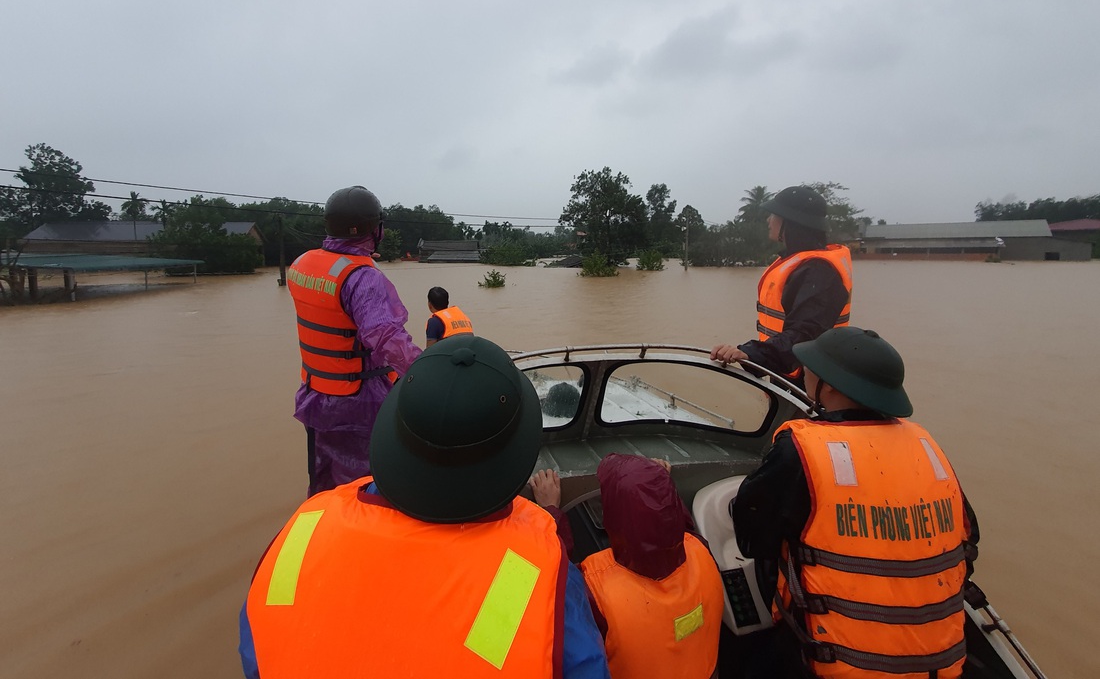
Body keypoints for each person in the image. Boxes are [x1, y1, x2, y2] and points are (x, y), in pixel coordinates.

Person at [239, 335, 610, 679]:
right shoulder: (536, 561)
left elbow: (256, 649)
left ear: (393, 427)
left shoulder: (304, 528)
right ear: (515, 454)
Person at [731, 327, 979, 679]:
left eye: (809, 366)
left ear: (829, 386)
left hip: (839, 663)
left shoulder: (802, 449)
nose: (803, 372)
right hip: (940, 662)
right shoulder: (927, 446)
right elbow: (968, 541)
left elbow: (752, 537)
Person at [530, 454, 724, 679]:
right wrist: (659, 489)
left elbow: (558, 574)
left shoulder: (593, 588)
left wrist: (550, 510)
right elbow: (678, 526)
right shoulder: (700, 548)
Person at [287, 185, 421, 496]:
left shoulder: (303, 263)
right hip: (359, 403)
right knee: (363, 488)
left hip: (316, 395)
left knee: (325, 480)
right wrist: (428, 369)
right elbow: (387, 338)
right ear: (376, 230)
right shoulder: (363, 278)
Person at [711, 185, 852, 385]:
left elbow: (805, 333)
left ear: (791, 222)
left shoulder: (818, 271)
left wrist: (750, 353)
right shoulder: (801, 263)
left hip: (813, 382)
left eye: (774, 215)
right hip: (789, 368)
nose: (769, 220)